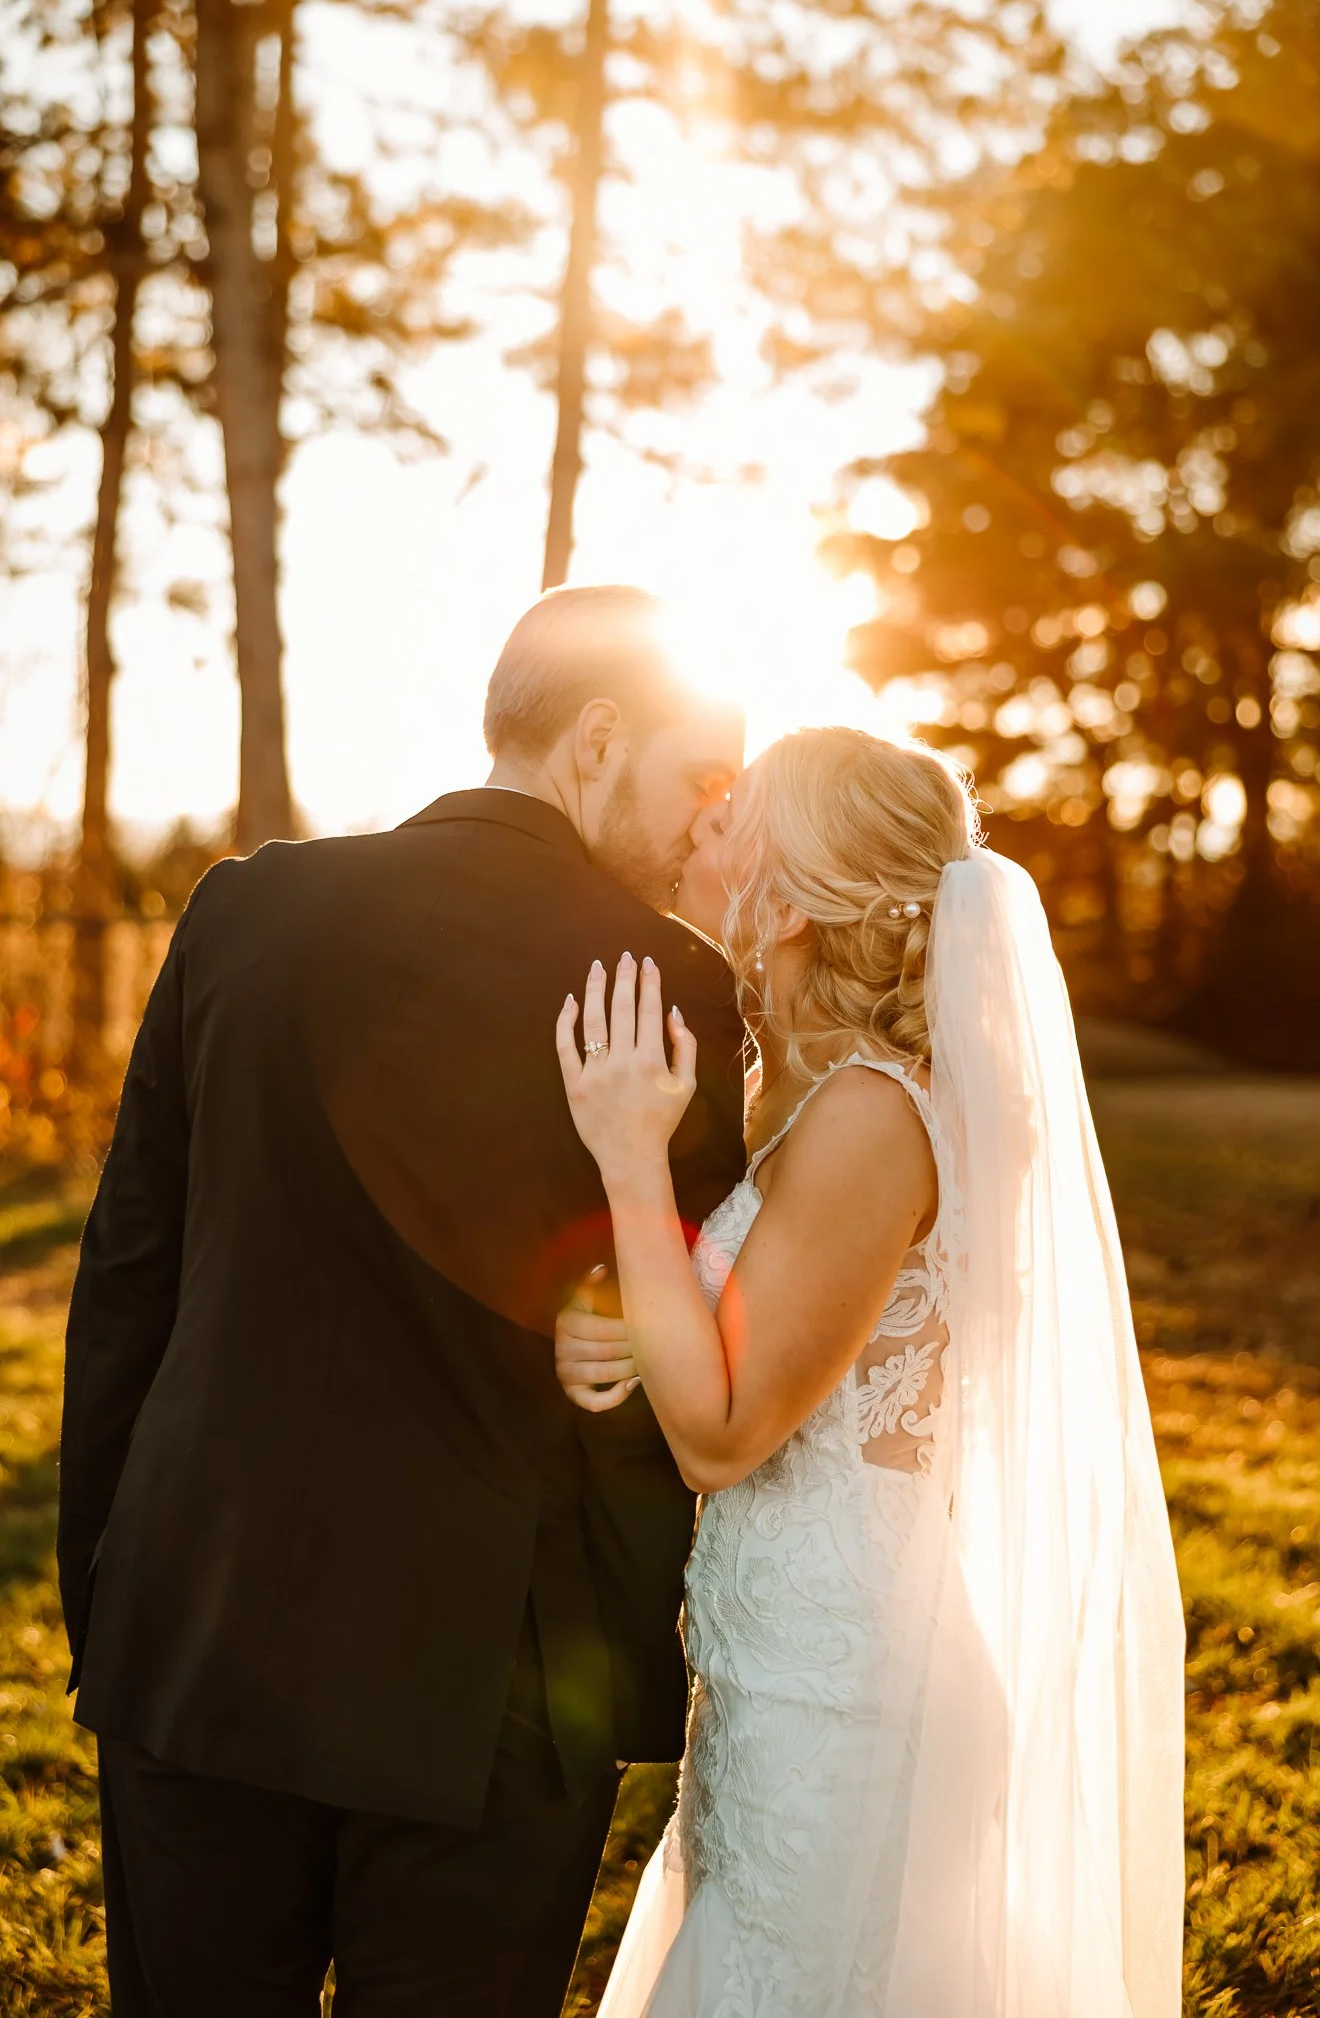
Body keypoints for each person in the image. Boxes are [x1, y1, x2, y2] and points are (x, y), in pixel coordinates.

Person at [57, 584, 746, 2017]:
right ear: (599, 739)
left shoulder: (248, 909)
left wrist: (111, 1590)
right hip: (490, 1681)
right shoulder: (671, 985)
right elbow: (652, 1350)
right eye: (702, 779)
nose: (708, 821)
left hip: (197, 1630)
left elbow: (131, 1275)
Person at [553, 725, 1187, 2018]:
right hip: (780, 1673)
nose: (702, 827)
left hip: (848, 1703)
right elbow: (781, 1352)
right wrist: (631, 1325)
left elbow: (723, 1438)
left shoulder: (868, 1115)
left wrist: (626, 1157)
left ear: (790, 891)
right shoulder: (808, 1089)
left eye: (737, 815)